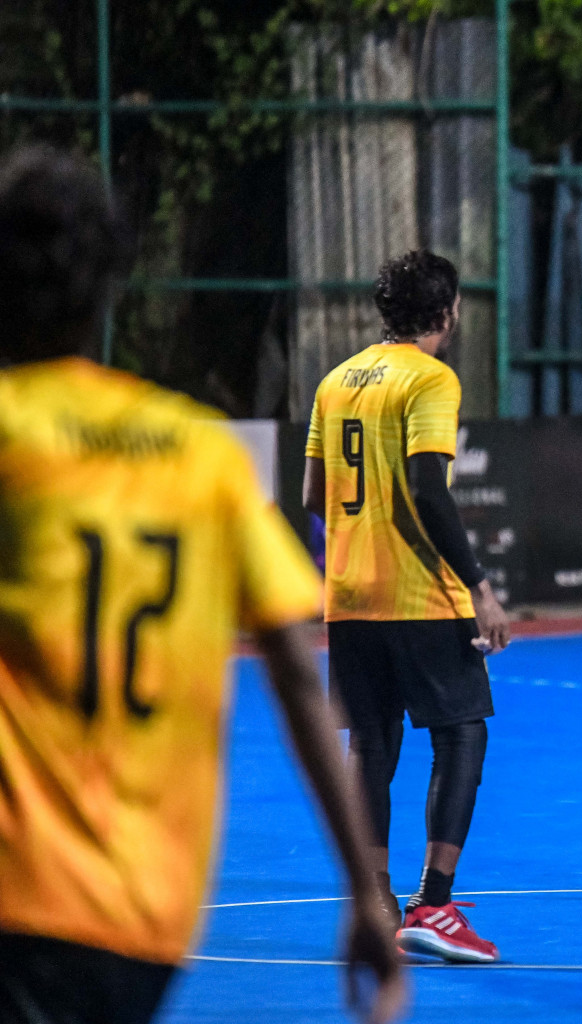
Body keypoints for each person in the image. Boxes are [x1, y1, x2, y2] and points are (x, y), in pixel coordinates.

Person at [0, 146, 404, 1023]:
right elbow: (298, 672)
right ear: (110, 282)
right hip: (149, 918)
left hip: (21, 896)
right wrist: (365, 892)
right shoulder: (197, 450)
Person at [304, 250, 513, 963]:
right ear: (447, 312)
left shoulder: (335, 381)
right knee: (462, 733)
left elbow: (312, 496)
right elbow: (428, 486)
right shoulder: (430, 378)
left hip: (349, 596)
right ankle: (435, 903)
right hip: (418, 594)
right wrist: (479, 586)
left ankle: (374, 897)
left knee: (370, 746)